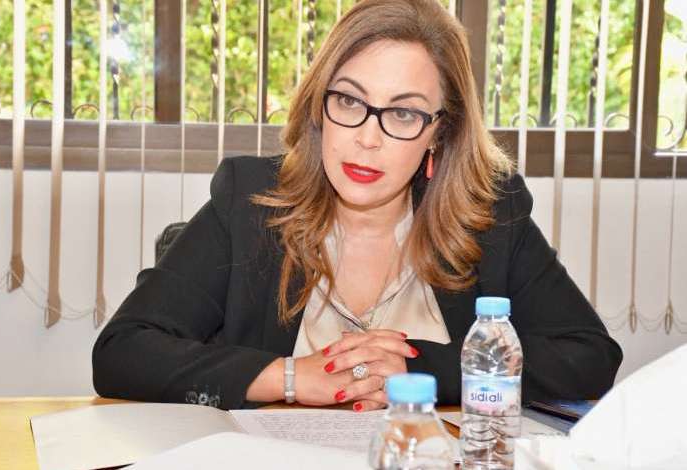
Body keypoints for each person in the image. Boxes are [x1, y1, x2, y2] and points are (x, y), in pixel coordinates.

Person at [92, 0, 622, 412]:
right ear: (319, 106)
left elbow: (589, 356)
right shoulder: (251, 202)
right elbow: (122, 351)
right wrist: (291, 377)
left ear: (440, 133)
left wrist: (425, 372)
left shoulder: (490, 215)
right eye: (349, 101)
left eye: (404, 114)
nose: (368, 138)